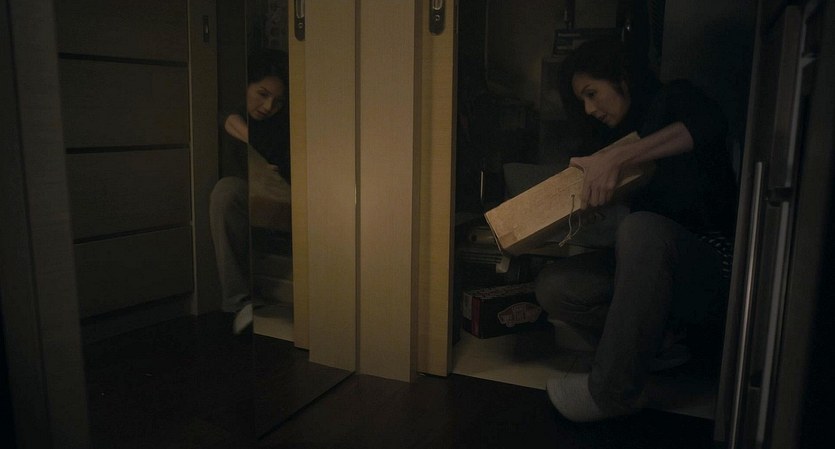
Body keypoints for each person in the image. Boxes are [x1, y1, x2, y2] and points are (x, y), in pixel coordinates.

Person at [535, 38, 738, 422]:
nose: (589, 108)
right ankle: (660, 346)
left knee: (641, 228)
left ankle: (613, 392)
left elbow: (710, 123)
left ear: (622, 77)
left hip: (709, 265)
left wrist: (617, 158)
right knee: (555, 285)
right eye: (582, 101)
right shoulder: (615, 135)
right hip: (650, 270)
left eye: (592, 93)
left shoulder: (675, 99)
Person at [210, 48, 290, 334]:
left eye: (277, 101)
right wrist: (252, 141)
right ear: (247, 86)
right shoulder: (236, 116)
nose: (268, 106)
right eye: (262, 94)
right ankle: (239, 303)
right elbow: (227, 118)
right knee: (226, 192)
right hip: (251, 197)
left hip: (286, 198)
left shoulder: (285, 123)